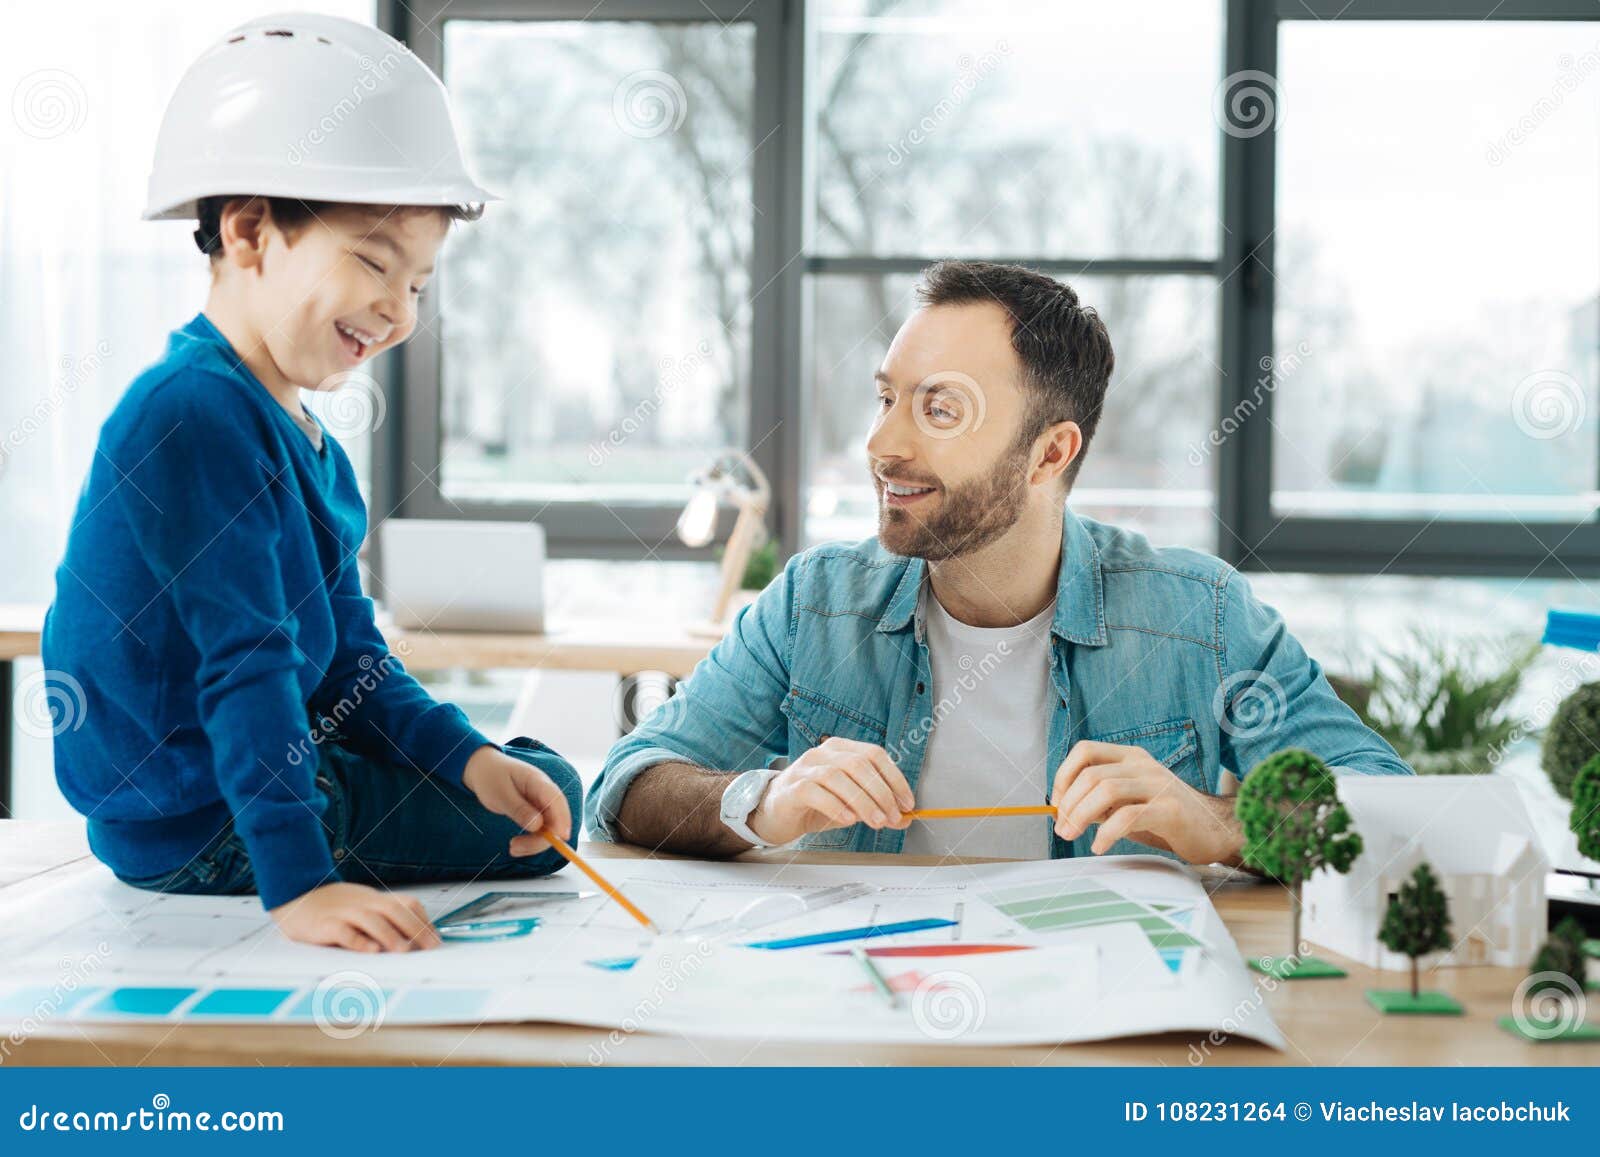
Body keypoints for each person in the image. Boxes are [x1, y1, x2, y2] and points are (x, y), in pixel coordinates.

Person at [42, 14, 580, 953]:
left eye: (417, 284)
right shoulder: (191, 413)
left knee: (529, 782)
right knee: (553, 808)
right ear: (250, 230)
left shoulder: (298, 437)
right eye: (374, 262)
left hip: (242, 780)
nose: (397, 309)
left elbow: (346, 665)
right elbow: (246, 666)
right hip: (201, 820)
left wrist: (467, 755)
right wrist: (303, 887)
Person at [588, 260, 1411, 863]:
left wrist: (1222, 825)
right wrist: (761, 800)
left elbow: (1397, 813)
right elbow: (626, 788)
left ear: (1049, 454)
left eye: (940, 408)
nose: (881, 445)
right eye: (886, 399)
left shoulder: (1203, 617)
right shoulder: (812, 603)